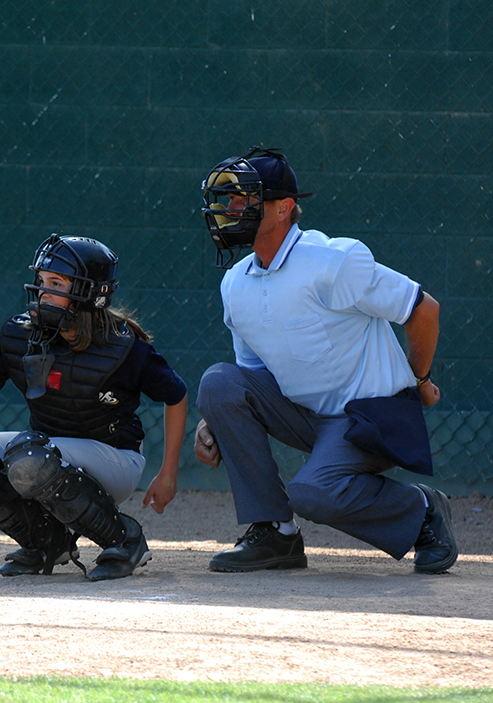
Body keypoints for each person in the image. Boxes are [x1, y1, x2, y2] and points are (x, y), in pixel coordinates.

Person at [194, 147, 456, 574]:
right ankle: (275, 533)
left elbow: (423, 309)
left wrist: (420, 378)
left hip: (368, 418)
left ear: (285, 209)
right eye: (229, 199)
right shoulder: (234, 283)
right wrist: (216, 421)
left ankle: (422, 509)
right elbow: (251, 377)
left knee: (313, 494)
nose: (231, 208)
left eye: (244, 198)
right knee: (218, 383)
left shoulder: (334, 260)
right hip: (306, 414)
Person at [0, 235, 188, 582]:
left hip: (115, 460)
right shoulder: (22, 335)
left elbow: (177, 395)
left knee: (29, 453)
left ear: (89, 291)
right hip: (41, 457)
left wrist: (167, 474)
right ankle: (47, 543)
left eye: (56, 283)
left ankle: (123, 540)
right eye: (41, 282)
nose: (43, 292)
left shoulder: (123, 347)